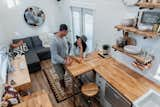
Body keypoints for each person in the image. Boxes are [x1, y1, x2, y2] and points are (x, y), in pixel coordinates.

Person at [50, 24, 72, 89]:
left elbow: (66, 48)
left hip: (63, 59)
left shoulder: (64, 37)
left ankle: (63, 81)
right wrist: (65, 61)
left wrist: (67, 56)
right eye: (66, 32)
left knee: (64, 72)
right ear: (63, 31)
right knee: (61, 76)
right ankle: (63, 87)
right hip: (56, 62)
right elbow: (55, 55)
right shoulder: (54, 40)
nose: (67, 33)